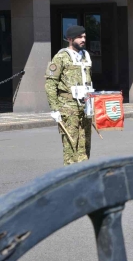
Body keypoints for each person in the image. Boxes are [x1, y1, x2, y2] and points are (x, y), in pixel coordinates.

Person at [45, 25, 93, 166]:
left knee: (85, 143)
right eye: (79, 37)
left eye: (84, 37)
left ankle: (83, 171)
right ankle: (71, 174)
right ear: (70, 39)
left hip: (85, 106)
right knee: (71, 145)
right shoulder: (60, 57)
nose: (83, 40)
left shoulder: (85, 56)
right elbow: (50, 83)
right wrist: (54, 108)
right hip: (68, 106)